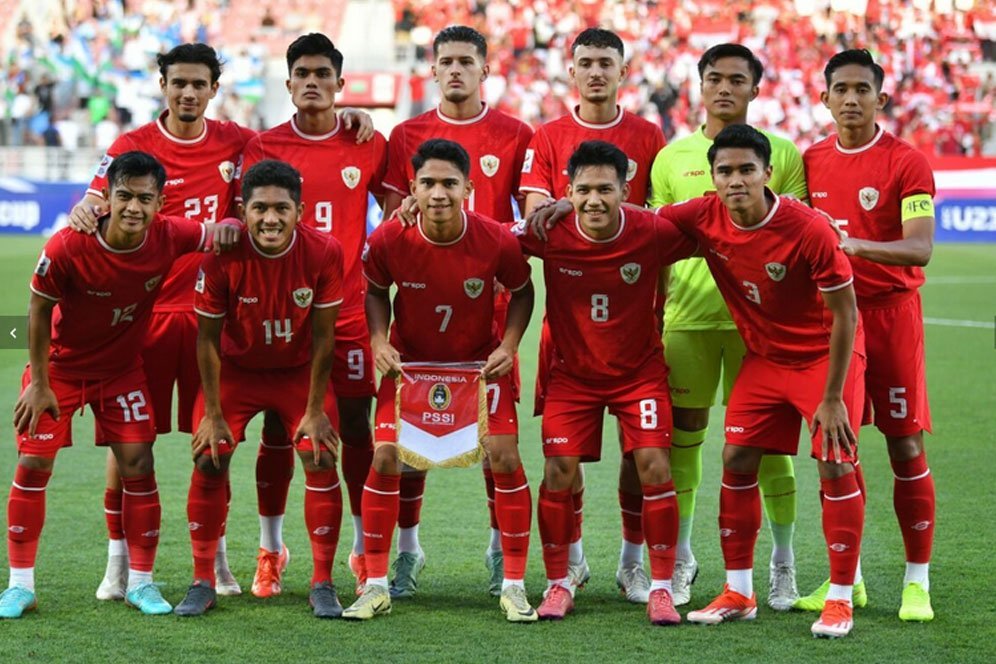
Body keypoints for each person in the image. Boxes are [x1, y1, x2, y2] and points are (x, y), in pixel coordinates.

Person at [68, 42, 373, 601]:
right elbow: (91, 204)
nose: (188, 92)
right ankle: (118, 565)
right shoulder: (129, 147)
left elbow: (289, 171)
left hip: (223, 320)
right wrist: (84, 207)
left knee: (218, 445)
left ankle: (220, 566)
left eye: (198, 84)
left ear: (214, 89)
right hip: (148, 315)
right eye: (177, 82)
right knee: (131, 443)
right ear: (162, 84)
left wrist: (347, 116)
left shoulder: (240, 143)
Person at [0, 151, 237, 619]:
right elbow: (37, 310)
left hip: (121, 371)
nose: (133, 207)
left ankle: (141, 583)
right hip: (59, 371)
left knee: (139, 462)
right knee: (33, 463)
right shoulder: (68, 244)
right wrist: (39, 382)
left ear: (161, 202)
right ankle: (19, 585)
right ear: (105, 197)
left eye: (145, 199)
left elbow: (224, 233)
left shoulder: (171, 234)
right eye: (124, 196)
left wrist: (264, 223)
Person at [652, 125, 865, 639]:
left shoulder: (808, 228)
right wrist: (568, 207)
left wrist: (834, 397)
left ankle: (839, 598)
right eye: (725, 171)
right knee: (737, 458)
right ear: (713, 178)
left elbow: (846, 315)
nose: (735, 180)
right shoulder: (703, 214)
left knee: (835, 466)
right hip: (766, 360)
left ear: (768, 173)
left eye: (747, 169)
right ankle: (740, 591)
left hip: (823, 359)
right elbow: (635, 221)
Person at [343, 139, 536, 623]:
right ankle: (375, 583)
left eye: (450, 183)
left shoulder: (495, 238)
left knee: (505, 456)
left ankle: (513, 583)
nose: (438, 192)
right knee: (386, 458)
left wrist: (508, 346)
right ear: (413, 188)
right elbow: (373, 289)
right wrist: (379, 340)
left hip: (476, 366)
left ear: (469, 188)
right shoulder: (390, 238)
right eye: (428, 183)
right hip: (410, 366)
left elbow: (522, 290)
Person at [647, 43, 808, 609]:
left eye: (736, 79)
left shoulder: (783, 154)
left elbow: (795, 238)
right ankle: (684, 557)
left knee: (768, 449)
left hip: (760, 330)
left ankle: (782, 563)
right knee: (682, 442)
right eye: (713, 78)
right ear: (699, 85)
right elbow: (655, 242)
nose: (724, 88)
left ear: (755, 88)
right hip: (688, 322)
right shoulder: (671, 158)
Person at [380, 24, 534, 600]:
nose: (455, 70)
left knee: (499, 448)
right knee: (410, 444)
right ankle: (407, 554)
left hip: (489, 319)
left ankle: (501, 556)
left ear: (485, 69)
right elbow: (396, 221)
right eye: (445, 61)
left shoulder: (516, 133)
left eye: (466, 61)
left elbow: (525, 221)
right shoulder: (406, 134)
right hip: (420, 310)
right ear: (432, 68)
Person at [517, 141, 697, 625]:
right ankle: (560, 582)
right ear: (566, 191)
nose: (594, 200)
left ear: (624, 191)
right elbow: (487, 239)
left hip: (639, 374)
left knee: (655, 466)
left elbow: (713, 228)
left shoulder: (652, 230)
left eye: (605, 189)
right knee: (558, 470)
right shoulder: (548, 231)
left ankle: (659, 586)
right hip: (572, 375)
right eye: (582, 190)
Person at [519, 26, 667, 604]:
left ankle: (638, 566)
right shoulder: (549, 134)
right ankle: (569, 565)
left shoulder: (648, 135)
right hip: (569, 338)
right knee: (563, 460)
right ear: (572, 71)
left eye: (607, 62)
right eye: (586, 62)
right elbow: (534, 215)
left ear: (623, 71)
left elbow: (661, 221)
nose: (597, 71)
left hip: (635, 326)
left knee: (644, 456)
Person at [237, 32, 387, 600]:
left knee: (353, 429)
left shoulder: (368, 142)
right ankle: (272, 549)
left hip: (348, 312)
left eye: (323, 74)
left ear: (340, 83)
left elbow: (396, 215)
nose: (313, 82)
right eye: (302, 73)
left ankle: (359, 546)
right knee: (279, 428)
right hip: (284, 316)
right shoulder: (263, 147)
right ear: (288, 83)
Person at [797, 48, 937, 623]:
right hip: (836, 321)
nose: (851, 98)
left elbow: (921, 246)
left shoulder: (907, 162)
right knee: (838, 447)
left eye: (862, 89)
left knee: (905, 445)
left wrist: (853, 246)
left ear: (882, 98)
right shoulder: (810, 160)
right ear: (824, 97)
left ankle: (916, 582)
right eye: (841, 89)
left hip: (892, 317)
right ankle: (847, 579)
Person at [172, 160, 346, 618]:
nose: (271, 218)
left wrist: (314, 409)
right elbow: (206, 340)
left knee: (319, 451)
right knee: (210, 456)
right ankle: (202, 580)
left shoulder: (325, 251)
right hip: (236, 371)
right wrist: (211, 414)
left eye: (281, 209)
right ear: (244, 211)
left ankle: (323, 582)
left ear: (300, 211)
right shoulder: (221, 256)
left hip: (297, 372)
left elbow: (325, 337)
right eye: (260, 209)